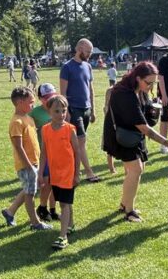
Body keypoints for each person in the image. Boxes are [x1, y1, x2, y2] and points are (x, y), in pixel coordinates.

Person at [102, 61, 168, 222]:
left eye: (153, 83)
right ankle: (129, 211)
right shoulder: (124, 94)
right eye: (148, 83)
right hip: (122, 136)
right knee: (135, 170)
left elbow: (146, 114)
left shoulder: (140, 90)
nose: (150, 87)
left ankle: (124, 204)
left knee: (137, 169)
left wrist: (153, 107)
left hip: (133, 135)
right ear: (137, 78)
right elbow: (144, 128)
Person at [1, 86, 53, 231]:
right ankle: (35, 222)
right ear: (20, 102)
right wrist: (29, 166)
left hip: (35, 161)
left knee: (29, 188)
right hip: (26, 164)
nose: (33, 105)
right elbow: (18, 147)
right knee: (30, 193)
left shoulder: (28, 117)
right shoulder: (17, 122)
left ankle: (10, 212)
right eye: (30, 102)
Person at [38, 95, 81, 249]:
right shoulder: (45, 130)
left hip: (68, 174)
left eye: (63, 111)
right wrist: (40, 172)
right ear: (49, 111)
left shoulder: (70, 129)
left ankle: (62, 237)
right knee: (65, 201)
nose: (61, 114)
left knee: (64, 203)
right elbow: (43, 153)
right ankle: (71, 224)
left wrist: (77, 173)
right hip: (55, 174)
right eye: (57, 111)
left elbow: (77, 152)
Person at [60, 38, 100, 182]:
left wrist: (93, 110)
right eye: (88, 51)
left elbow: (90, 89)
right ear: (80, 49)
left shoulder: (88, 67)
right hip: (74, 109)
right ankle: (89, 173)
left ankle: (72, 168)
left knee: (76, 143)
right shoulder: (67, 67)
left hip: (87, 109)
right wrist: (67, 112)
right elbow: (62, 93)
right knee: (81, 141)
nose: (89, 54)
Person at [29, 83, 59, 222]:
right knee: (46, 184)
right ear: (40, 98)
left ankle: (53, 210)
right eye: (46, 98)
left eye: (52, 96)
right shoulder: (34, 113)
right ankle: (42, 208)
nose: (50, 100)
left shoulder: (59, 108)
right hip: (45, 154)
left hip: (58, 152)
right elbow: (25, 129)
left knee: (56, 184)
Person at [102, 85, 116, 174]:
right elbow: (106, 108)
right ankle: (111, 168)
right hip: (110, 125)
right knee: (110, 149)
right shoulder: (110, 91)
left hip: (119, 124)